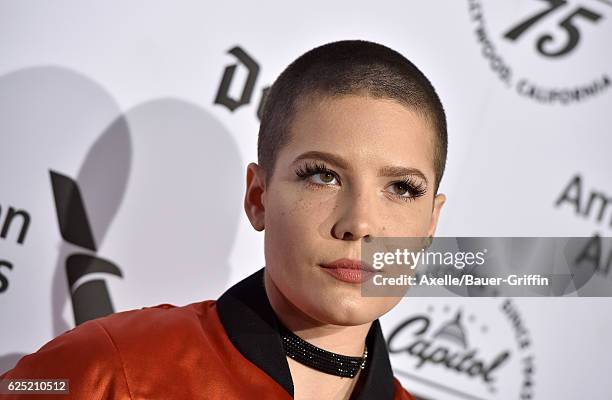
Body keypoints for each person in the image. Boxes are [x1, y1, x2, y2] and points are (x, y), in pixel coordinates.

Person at [0, 39, 447, 399]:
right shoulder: (107, 371)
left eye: (402, 188)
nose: (360, 223)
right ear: (258, 197)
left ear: (430, 226)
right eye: (323, 176)